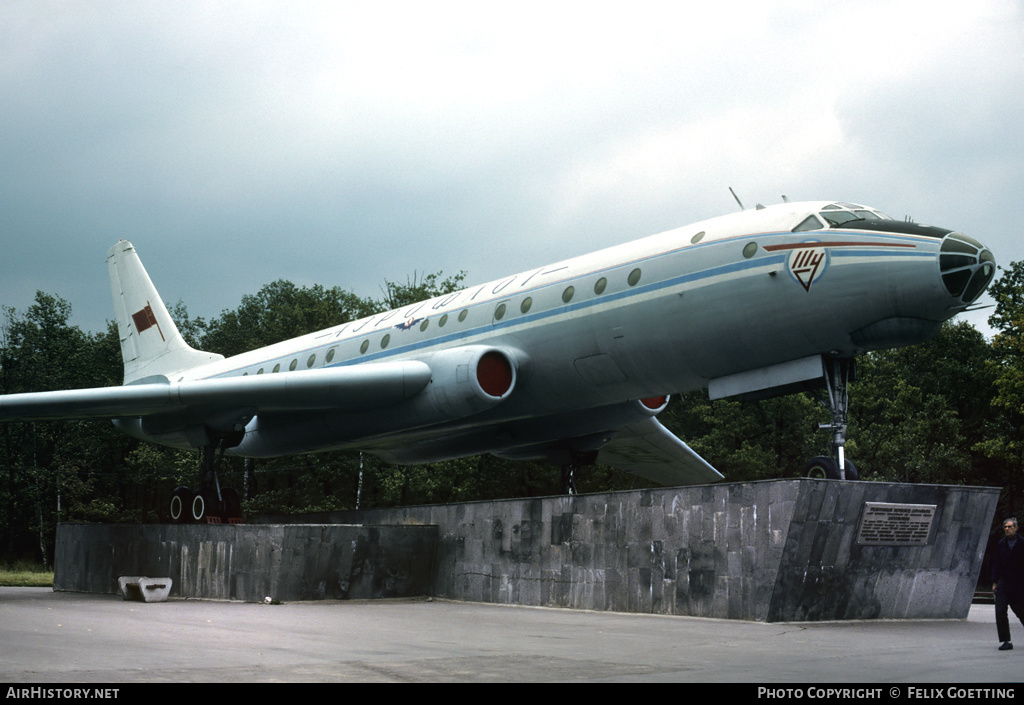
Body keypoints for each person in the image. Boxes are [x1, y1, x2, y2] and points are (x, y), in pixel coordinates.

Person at [992, 517, 1024, 650]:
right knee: (1000, 611)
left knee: (1021, 611)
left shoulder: (1022, 543)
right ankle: (1006, 640)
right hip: (1003, 582)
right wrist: (995, 582)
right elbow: (997, 563)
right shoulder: (1001, 543)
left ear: (1016, 528)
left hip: (1018, 583)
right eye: (1005, 527)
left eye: (1010, 527)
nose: (1007, 529)